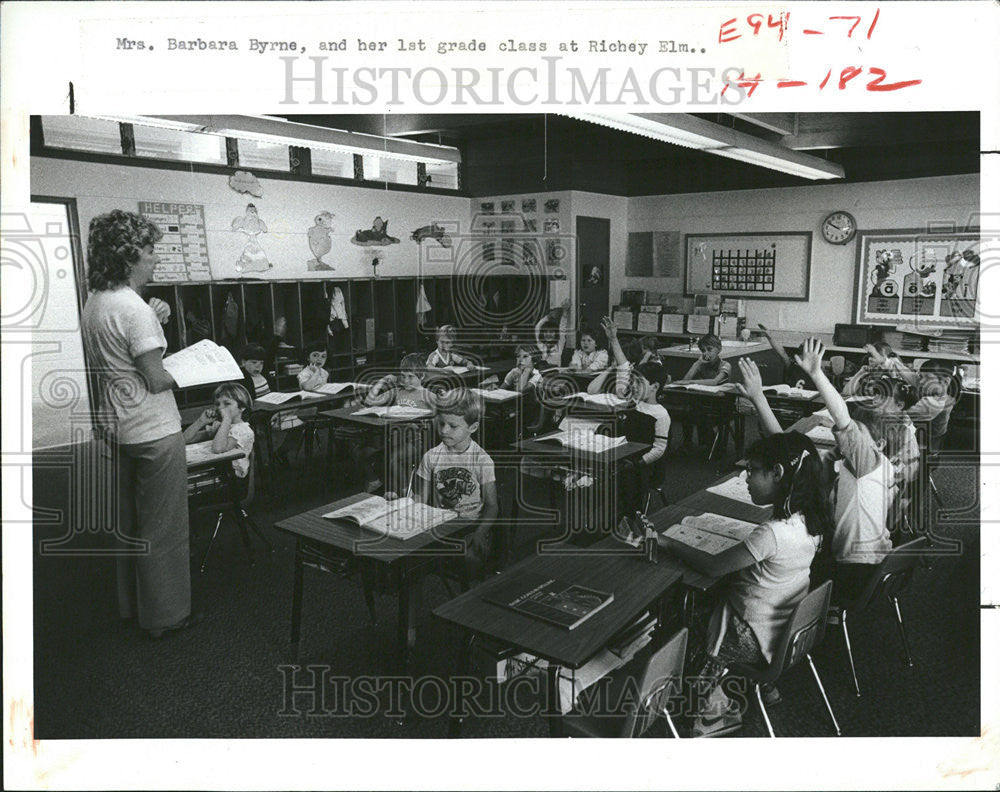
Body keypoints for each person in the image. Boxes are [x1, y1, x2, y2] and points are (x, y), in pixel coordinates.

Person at [660, 429, 828, 736]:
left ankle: (709, 712)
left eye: (751, 470)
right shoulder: (810, 519)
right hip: (782, 626)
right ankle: (766, 688)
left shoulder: (773, 533)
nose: (745, 478)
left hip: (748, 634)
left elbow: (714, 567)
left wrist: (668, 543)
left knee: (682, 618)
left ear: (777, 474)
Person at [80, 209, 199, 639]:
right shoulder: (134, 310)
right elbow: (155, 378)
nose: (155, 260)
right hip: (155, 430)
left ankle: (131, 607)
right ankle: (166, 617)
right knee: (163, 528)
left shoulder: (96, 300)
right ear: (129, 255)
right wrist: (197, 370)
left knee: (131, 524)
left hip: (121, 429)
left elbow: (118, 362)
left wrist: (155, 319)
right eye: (149, 251)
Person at [793, 338, 896, 604]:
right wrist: (828, 464)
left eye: (856, 437)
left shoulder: (866, 462)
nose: (845, 442)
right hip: (868, 560)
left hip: (853, 567)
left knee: (794, 571)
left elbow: (843, 421)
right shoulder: (874, 466)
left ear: (878, 444)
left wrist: (817, 375)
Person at [412, 390, 498, 575]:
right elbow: (420, 500)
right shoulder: (431, 457)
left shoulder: (481, 460)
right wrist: (403, 503)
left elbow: (492, 506)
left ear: (473, 428)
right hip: (438, 526)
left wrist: (480, 532)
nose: (444, 430)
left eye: (453, 426)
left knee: (469, 559)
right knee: (410, 562)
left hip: (470, 526)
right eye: (441, 423)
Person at [594, 316, 672, 511]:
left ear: (654, 387)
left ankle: (626, 516)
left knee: (624, 482)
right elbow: (623, 368)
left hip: (645, 466)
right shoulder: (634, 401)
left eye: (639, 384)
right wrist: (613, 339)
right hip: (624, 457)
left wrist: (638, 462)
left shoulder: (661, 415)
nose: (633, 386)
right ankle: (609, 514)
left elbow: (659, 449)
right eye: (633, 382)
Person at [183, 383, 256, 493]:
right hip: (216, 474)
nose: (220, 408)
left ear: (242, 407)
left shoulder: (243, 430)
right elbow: (184, 440)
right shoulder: (219, 425)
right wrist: (201, 421)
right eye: (217, 404)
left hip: (232, 482)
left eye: (227, 404)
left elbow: (218, 448)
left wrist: (227, 419)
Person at [675, 334, 731, 447]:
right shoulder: (701, 365)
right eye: (703, 350)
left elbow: (715, 382)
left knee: (700, 412)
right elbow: (684, 380)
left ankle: (708, 441)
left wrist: (690, 382)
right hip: (703, 402)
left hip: (721, 404)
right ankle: (688, 443)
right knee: (688, 412)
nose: (706, 353)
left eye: (709, 349)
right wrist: (697, 364)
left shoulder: (725, 365)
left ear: (719, 349)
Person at [757, 324, 813, 389]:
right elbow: (782, 352)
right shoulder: (792, 366)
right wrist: (770, 337)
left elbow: (783, 353)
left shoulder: (815, 372)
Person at [535, 297, 571, 367]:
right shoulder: (542, 345)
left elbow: (562, 329)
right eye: (546, 332)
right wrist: (548, 316)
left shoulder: (559, 345)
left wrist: (565, 312)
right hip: (544, 374)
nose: (548, 334)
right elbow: (538, 327)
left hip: (556, 375)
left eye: (551, 332)